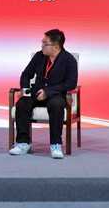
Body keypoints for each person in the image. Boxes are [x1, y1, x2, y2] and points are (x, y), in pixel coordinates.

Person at [9, 29, 78, 159]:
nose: (41, 46)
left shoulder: (69, 60)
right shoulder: (39, 56)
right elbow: (26, 74)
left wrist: (48, 92)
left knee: (56, 105)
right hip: (36, 92)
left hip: (56, 94)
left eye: (45, 43)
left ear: (56, 46)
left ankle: (56, 144)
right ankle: (23, 143)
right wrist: (25, 90)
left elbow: (71, 83)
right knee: (22, 103)